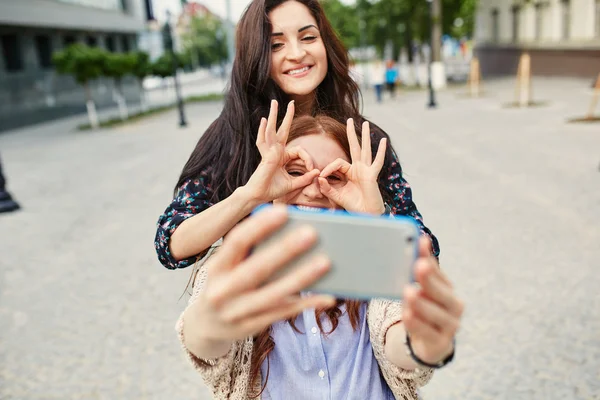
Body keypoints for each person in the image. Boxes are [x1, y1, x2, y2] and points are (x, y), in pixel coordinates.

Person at [178, 114, 464, 399]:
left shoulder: (374, 258)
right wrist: (210, 322)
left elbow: (399, 336)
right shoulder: (237, 261)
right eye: (294, 172)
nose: (314, 190)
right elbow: (206, 347)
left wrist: (426, 343)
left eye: (334, 177)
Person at [154, 0, 439, 274]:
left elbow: (427, 256)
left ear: (325, 44)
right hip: (264, 314)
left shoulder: (364, 138)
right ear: (256, 55)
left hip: (351, 314)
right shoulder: (232, 136)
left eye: (308, 37)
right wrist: (250, 197)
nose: (296, 53)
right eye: (276, 44)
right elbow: (170, 244)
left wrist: (377, 216)